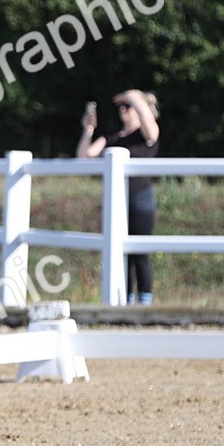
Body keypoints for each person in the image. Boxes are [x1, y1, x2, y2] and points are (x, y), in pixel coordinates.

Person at [76, 89, 161, 305]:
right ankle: (125, 301)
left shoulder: (145, 135)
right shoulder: (111, 137)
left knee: (139, 254)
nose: (123, 109)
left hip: (141, 200)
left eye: (128, 106)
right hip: (115, 203)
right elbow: (84, 157)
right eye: (121, 106)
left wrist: (132, 95)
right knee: (118, 253)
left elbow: (150, 128)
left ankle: (145, 303)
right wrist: (88, 130)